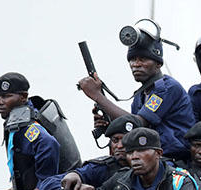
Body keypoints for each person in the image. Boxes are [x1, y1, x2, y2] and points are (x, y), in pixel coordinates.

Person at [78, 21, 194, 161]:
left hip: (174, 160)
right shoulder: (140, 95)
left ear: (158, 63)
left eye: (143, 59)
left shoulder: (167, 88)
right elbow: (131, 129)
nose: (136, 64)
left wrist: (98, 97)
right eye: (132, 60)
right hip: (149, 159)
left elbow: (136, 124)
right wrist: (109, 124)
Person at [37, 114, 142, 190]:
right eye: (115, 140)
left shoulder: (153, 166)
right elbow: (47, 185)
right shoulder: (103, 168)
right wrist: (77, 186)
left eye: (125, 140)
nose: (119, 146)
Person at [0, 72, 60, 190]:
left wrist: (41, 188)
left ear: (23, 97)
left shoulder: (30, 127)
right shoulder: (15, 124)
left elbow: (49, 144)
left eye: (6, 96)